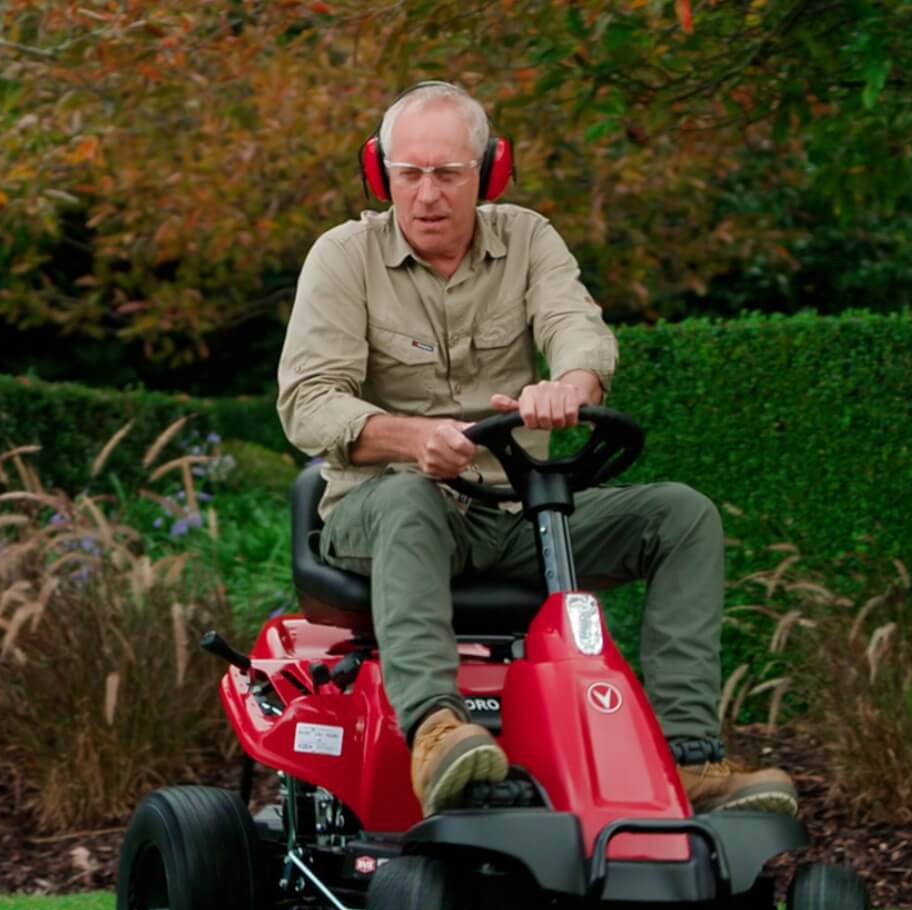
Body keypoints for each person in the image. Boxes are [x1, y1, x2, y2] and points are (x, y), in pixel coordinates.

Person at [277, 82, 797, 819]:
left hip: (518, 512)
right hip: (383, 508)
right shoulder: (343, 258)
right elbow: (308, 402)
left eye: (448, 173)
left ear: (488, 172)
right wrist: (414, 437)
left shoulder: (528, 239)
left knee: (682, 515)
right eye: (409, 173)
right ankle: (434, 731)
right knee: (407, 497)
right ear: (380, 173)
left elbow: (575, 324)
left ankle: (691, 758)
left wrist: (571, 384)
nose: (427, 194)